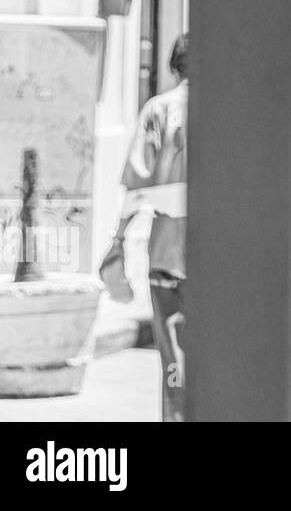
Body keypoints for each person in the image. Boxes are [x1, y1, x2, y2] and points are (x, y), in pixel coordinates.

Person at [116, 34, 189, 421]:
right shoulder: (236, 111)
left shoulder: (159, 110)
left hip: (167, 256)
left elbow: (135, 187)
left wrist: (118, 241)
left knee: (174, 360)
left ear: (174, 67)